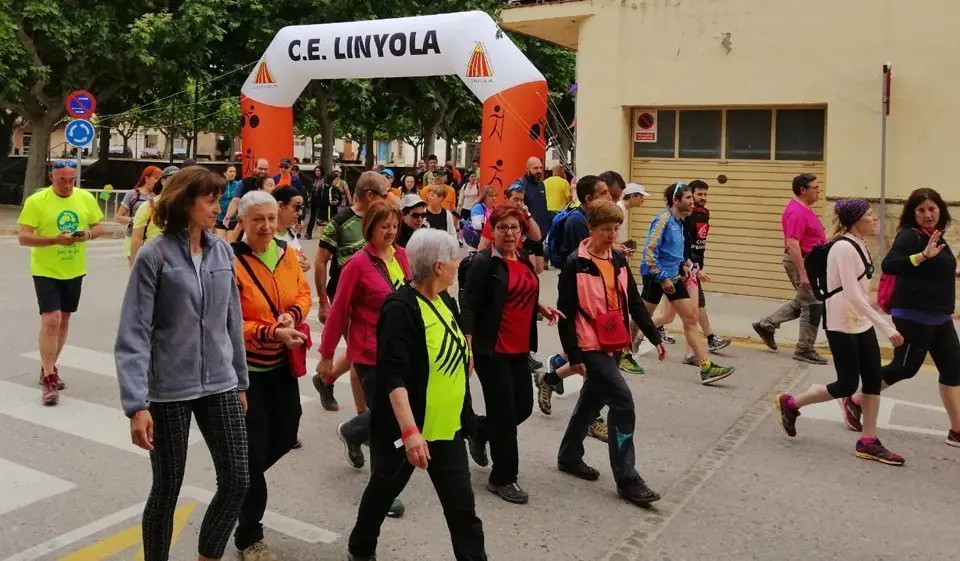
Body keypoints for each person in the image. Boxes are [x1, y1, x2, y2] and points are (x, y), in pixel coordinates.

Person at [115, 166, 249, 561]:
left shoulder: (222, 251)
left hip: (220, 382)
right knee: (168, 486)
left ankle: (208, 555)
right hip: (169, 387)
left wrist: (240, 382)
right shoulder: (153, 256)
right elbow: (133, 331)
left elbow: (232, 320)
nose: (217, 206)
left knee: (238, 479)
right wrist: (136, 404)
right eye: (210, 199)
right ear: (186, 202)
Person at [345, 229, 486, 561]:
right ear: (439, 266)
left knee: (463, 511)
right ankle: (360, 549)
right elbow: (393, 376)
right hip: (410, 429)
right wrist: (410, 432)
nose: (457, 266)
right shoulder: (400, 308)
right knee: (382, 492)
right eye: (454, 260)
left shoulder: (445, 299)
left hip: (448, 428)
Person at [775, 199, 906, 465]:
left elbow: (861, 293)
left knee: (871, 379)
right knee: (847, 383)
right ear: (855, 220)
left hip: (861, 321)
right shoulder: (845, 248)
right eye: (869, 215)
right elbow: (852, 295)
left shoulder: (859, 243)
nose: (875, 218)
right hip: (842, 322)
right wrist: (886, 327)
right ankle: (791, 403)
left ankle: (868, 441)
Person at [555, 200, 665, 507]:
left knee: (592, 400)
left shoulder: (617, 258)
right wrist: (574, 355)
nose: (612, 235)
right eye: (606, 229)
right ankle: (627, 478)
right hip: (589, 343)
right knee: (622, 400)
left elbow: (633, 299)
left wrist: (654, 336)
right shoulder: (574, 263)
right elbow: (565, 311)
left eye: (616, 228)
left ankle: (569, 455)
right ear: (591, 229)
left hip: (614, 339)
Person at [460, 205, 563, 505]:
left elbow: (523, 290)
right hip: (492, 350)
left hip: (520, 348)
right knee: (505, 415)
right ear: (493, 230)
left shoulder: (521, 260)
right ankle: (503, 477)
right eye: (503, 228)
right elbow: (469, 304)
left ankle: (478, 430)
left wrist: (540, 307)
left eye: (514, 228)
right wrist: (468, 344)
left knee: (523, 408)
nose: (509, 233)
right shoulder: (483, 263)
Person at [846, 188, 960, 447]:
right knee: (905, 368)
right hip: (914, 315)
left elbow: (939, 270)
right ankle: (854, 400)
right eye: (921, 210)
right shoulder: (910, 236)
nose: (928, 214)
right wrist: (921, 256)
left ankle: (957, 430)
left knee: (953, 370)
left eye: (932, 208)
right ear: (913, 214)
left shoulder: (936, 235)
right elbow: (889, 265)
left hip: (940, 316)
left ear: (940, 209)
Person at [232, 190, 311, 560]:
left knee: (285, 434)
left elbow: (304, 293)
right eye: (256, 220)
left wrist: (292, 315)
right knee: (253, 455)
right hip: (245, 373)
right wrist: (269, 331)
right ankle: (250, 536)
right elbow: (229, 321)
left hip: (282, 365)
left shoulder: (288, 253)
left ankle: (236, 484)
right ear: (242, 222)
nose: (265, 226)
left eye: (270, 218)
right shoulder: (230, 261)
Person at [319, 201, 410, 518]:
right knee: (388, 424)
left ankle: (353, 431)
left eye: (395, 226)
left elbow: (411, 297)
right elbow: (338, 312)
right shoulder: (356, 264)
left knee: (394, 415)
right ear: (369, 227)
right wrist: (327, 355)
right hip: (369, 354)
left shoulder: (400, 255)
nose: (390, 232)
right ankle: (382, 490)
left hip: (400, 351)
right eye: (384, 226)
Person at [18, 159, 105, 405]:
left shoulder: (85, 198)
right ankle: (49, 379)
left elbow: (98, 227)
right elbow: (24, 237)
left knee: (64, 318)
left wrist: (86, 234)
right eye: (62, 180)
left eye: (71, 180)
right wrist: (53, 240)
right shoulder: (37, 201)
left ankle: (50, 365)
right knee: (51, 318)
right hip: (46, 269)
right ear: (51, 178)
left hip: (74, 269)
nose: (67, 185)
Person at [535, 175, 612, 441]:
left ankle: (550, 378)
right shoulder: (580, 222)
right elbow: (582, 262)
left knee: (592, 358)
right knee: (594, 363)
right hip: (582, 301)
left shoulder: (593, 220)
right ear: (589, 198)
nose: (609, 197)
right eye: (603, 193)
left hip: (598, 302)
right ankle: (594, 417)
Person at [641, 183, 736, 384]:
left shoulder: (680, 221)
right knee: (642, 318)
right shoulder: (663, 220)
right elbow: (649, 253)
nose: (692, 202)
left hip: (674, 276)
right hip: (656, 276)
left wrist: (685, 264)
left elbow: (677, 250)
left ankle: (706, 367)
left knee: (691, 318)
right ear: (675, 200)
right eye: (688, 198)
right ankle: (622, 352)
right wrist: (662, 277)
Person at [312, 171, 390, 413]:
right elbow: (320, 261)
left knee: (363, 348)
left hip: (373, 298)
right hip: (345, 297)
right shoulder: (339, 222)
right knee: (360, 355)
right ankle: (362, 419)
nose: (388, 199)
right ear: (369, 195)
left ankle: (326, 378)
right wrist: (324, 301)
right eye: (384, 195)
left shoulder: (380, 221)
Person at [753, 174, 829, 365]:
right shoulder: (796, 212)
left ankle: (766, 325)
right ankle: (804, 349)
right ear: (803, 190)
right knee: (812, 305)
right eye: (815, 187)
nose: (818, 191)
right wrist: (803, 273)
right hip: (801, 262)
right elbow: (793, 244)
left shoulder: (806, 210)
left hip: (810, 262)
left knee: (802, 301)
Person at [131, 166, 179, 262]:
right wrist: (134, 262)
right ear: (163, 181)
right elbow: (137, 237)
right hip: (153, 258)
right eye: (172, 179)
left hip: (177, 259)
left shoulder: (187, 207)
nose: (176, 184)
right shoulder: (147, 206)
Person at [118, 166, 162, 263]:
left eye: (160, 179)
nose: (158, 181)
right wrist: (134, 220)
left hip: (153, 239)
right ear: (146, 178)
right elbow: (119, 217)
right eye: (156, 178)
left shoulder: (160, 196)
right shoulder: (133, 194)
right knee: (136, 269)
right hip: (134, 236)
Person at [518, 157, 549, 273]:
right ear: (527, 169)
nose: (539, 170)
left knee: (539, 271)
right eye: (535, 168)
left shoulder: (541, 185)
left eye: (541, 167)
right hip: (527, 234)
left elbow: (542, 207)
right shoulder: (521, 184)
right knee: (529, 271)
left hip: (539, 234)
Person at [215, 166, 243, 242]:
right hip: (220, 218)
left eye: (234, 172)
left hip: (233, 219)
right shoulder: (220, 185)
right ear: (225, 173)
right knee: (220, 242)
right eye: (230, 171)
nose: (233, 174)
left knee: (230, 244)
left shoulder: (238, 185)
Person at [304, 165, 325, 240]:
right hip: (314, 200)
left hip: (321, 200)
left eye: (318, 171)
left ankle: (323, 234)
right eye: (316, 171)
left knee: (321, 217)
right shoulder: (314, 180)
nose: (317, 172)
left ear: (321, 171)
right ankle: (308, 233)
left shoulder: (324, 180)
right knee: (312, 217)